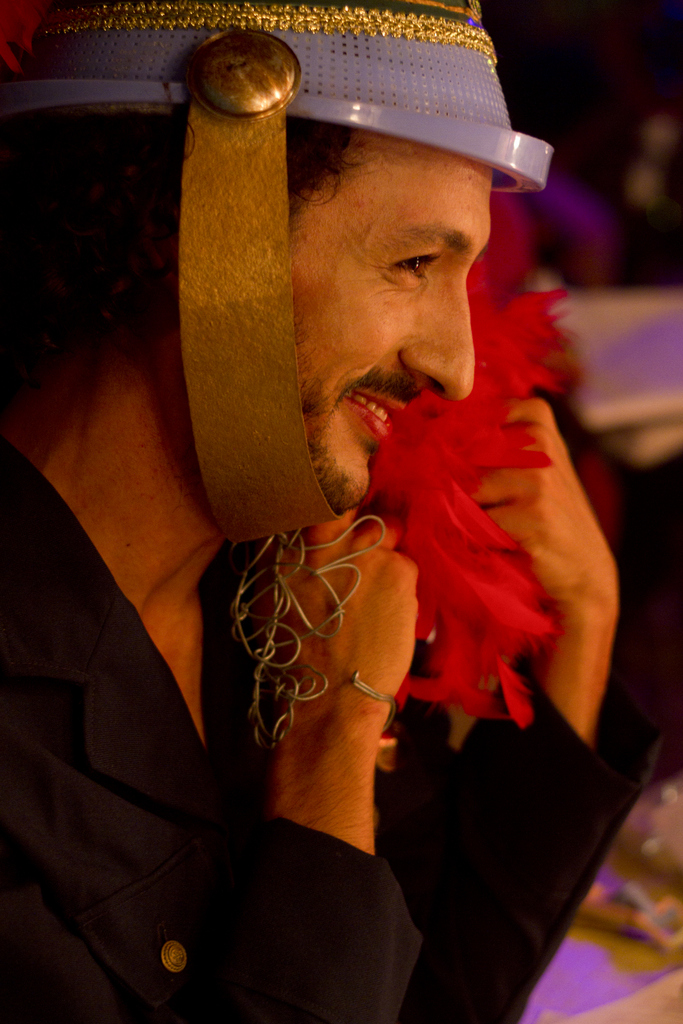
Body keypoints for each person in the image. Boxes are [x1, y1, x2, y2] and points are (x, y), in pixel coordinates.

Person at [0, 3, 658, 1022]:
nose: (455, 366)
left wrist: (583, 623)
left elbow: (433, 1001)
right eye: (412, 264)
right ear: (191, 226)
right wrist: (330, 748)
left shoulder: (281, 587)